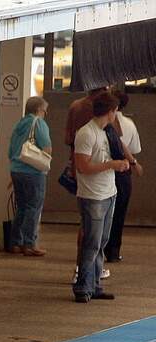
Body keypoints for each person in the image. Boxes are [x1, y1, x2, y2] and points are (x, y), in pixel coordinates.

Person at [72, 93, 130, 303]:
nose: (116, 114)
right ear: (110, 111)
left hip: (108, 192)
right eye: (115, 110)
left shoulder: (106, 132)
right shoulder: (86, 133)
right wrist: (112, 165)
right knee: (92, 242)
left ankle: (94, 284)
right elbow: (82, 166)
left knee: (101, 242)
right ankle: (83, 286)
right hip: (93, 195)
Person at [7, 97, 52, 256]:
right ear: (39, 109)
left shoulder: (19, 124)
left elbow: (11, 151)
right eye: (45, 110)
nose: (45, 113)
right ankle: (29, 244)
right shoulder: (39, 123)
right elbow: (46, 147)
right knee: (33, 207)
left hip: (16, 170)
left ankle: (15, 243)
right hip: (33, 172)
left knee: (22, 207)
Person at [104, 91, 144, 262]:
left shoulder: (100, 125)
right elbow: (134, 148)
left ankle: (99, 248)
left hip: (105, 170)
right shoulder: (129, 124)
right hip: (122, 171)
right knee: (119, 212)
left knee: (103, 212)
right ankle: (113, 251)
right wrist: (134, 163)